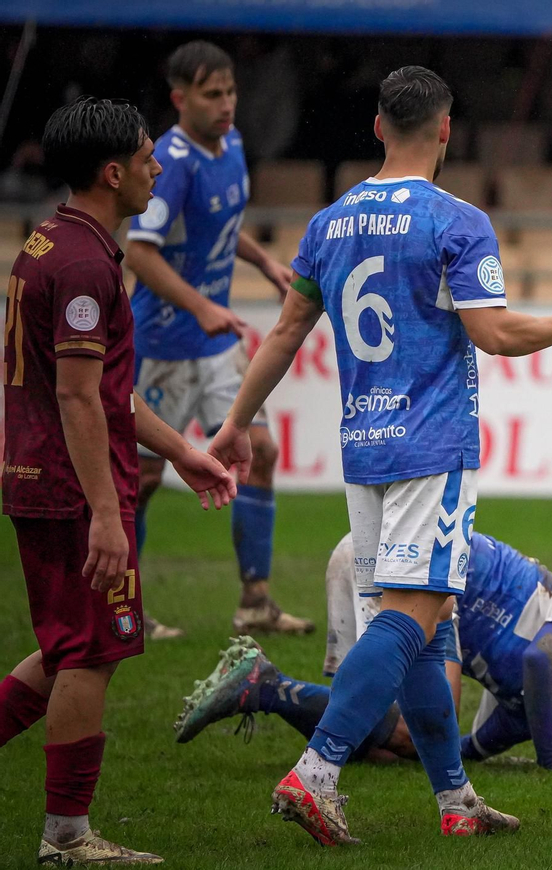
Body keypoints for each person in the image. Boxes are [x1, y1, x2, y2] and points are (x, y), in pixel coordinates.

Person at [207, 65, 552, 846]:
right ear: (444, 128)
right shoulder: (456, 220)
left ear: (375, 128)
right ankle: (317, 772)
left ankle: (456, 800)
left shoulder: (329, 222)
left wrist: (236, 419)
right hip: (432, 446)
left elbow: (287, 332)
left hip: (363, 448)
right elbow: (493, 332)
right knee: (409, 621)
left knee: (432, 634)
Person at [0, 96, 236, 866]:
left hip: (49, 476)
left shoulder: (56, 243)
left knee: (69, 645)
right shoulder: (80, 262)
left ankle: (66, 830)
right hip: (71, 488)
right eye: (144, 158)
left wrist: (182, 450)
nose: (155, 166)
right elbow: (75, 395)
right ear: (113, 172)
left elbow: (105, 389)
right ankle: (66, 835)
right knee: (93, 652)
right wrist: (107, 512)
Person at [173, 531, 552, 772]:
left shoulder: (540, 711)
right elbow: (538, 659)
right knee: (425, 723)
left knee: (398, 746)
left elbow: (460, 752)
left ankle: (262, 686)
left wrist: (524, 759)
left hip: (399, 574)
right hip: (423, 571)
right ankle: (261, 687)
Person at [124, 41, 309, 639]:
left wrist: (262, 262)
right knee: (142, 479)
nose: (227, 104)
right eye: (212, 94)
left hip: (213, 341)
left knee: (260, 452)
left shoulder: (230, 146)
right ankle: (123, 606)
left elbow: (222, 229)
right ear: (180, 99)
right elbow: (139, 251)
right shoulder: (172, 161)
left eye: (230, 91)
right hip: (161, 343)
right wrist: (201, 304)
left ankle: (255, 600)